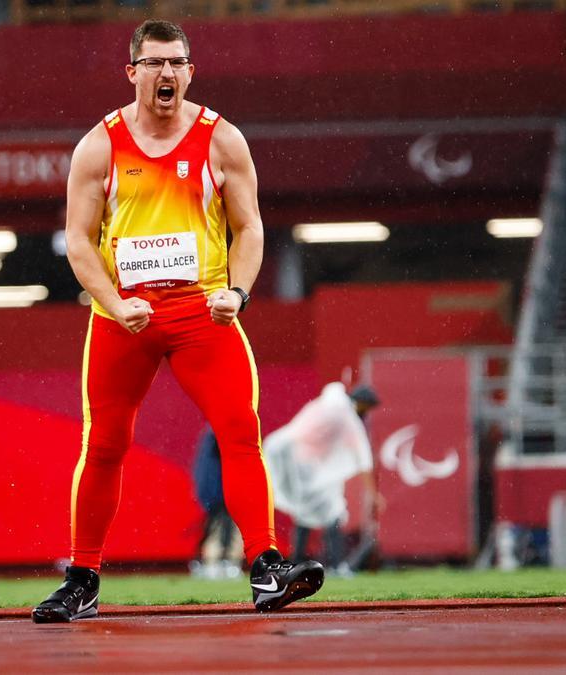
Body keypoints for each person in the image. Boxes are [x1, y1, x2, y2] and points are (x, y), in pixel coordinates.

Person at [32, 20, 323, 623]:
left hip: (202, 311)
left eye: (177, 63)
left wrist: (237, 294)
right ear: (132, 71)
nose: (166, 74)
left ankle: (267, 566)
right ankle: (82, 576)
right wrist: (115, 305)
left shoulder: (222, 140)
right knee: (106, 444)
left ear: (191, 71)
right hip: (124, 315)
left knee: (240, 431)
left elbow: (250, 229)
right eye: (154, 63)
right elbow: (79, 244)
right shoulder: (100, 145)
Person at [263, 383, 381, 576]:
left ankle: (298, 562)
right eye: (367, 407)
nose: (366, 413)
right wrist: (373, 494)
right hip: (307, 468)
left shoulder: (329, 407)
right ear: (361, 402)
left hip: (303, 465)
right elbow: (363, 458)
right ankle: (335, 564)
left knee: (309, 515)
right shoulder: (345, 416)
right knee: (331, 514)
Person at [190, 426, 242, 579]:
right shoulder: (218, 432)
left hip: (216, 488)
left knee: (215, 525)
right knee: (220, 525)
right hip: (219, 488)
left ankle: (208, 561)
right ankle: (222, 562)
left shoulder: (212, 433)